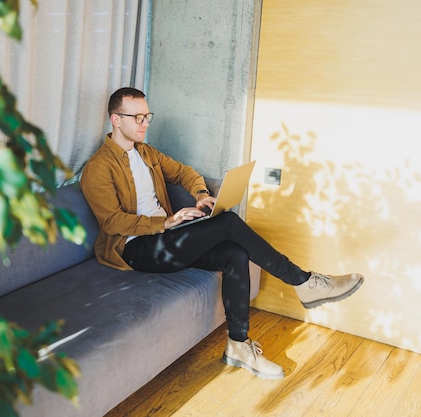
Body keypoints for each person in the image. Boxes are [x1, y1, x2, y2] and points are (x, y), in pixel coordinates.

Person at [79, 87, 364, 380]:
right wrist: (164, 223)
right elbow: (112, 221)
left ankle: (238, 345)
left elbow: (184, 173)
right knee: (227, 223)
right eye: (137, 117)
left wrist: (201, 195)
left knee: (234, 254)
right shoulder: (98, 167)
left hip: (167, 237)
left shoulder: (146, 153)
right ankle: (303, 281)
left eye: (147, 116)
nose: (145, 123)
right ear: (115, 119)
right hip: (138, 248)